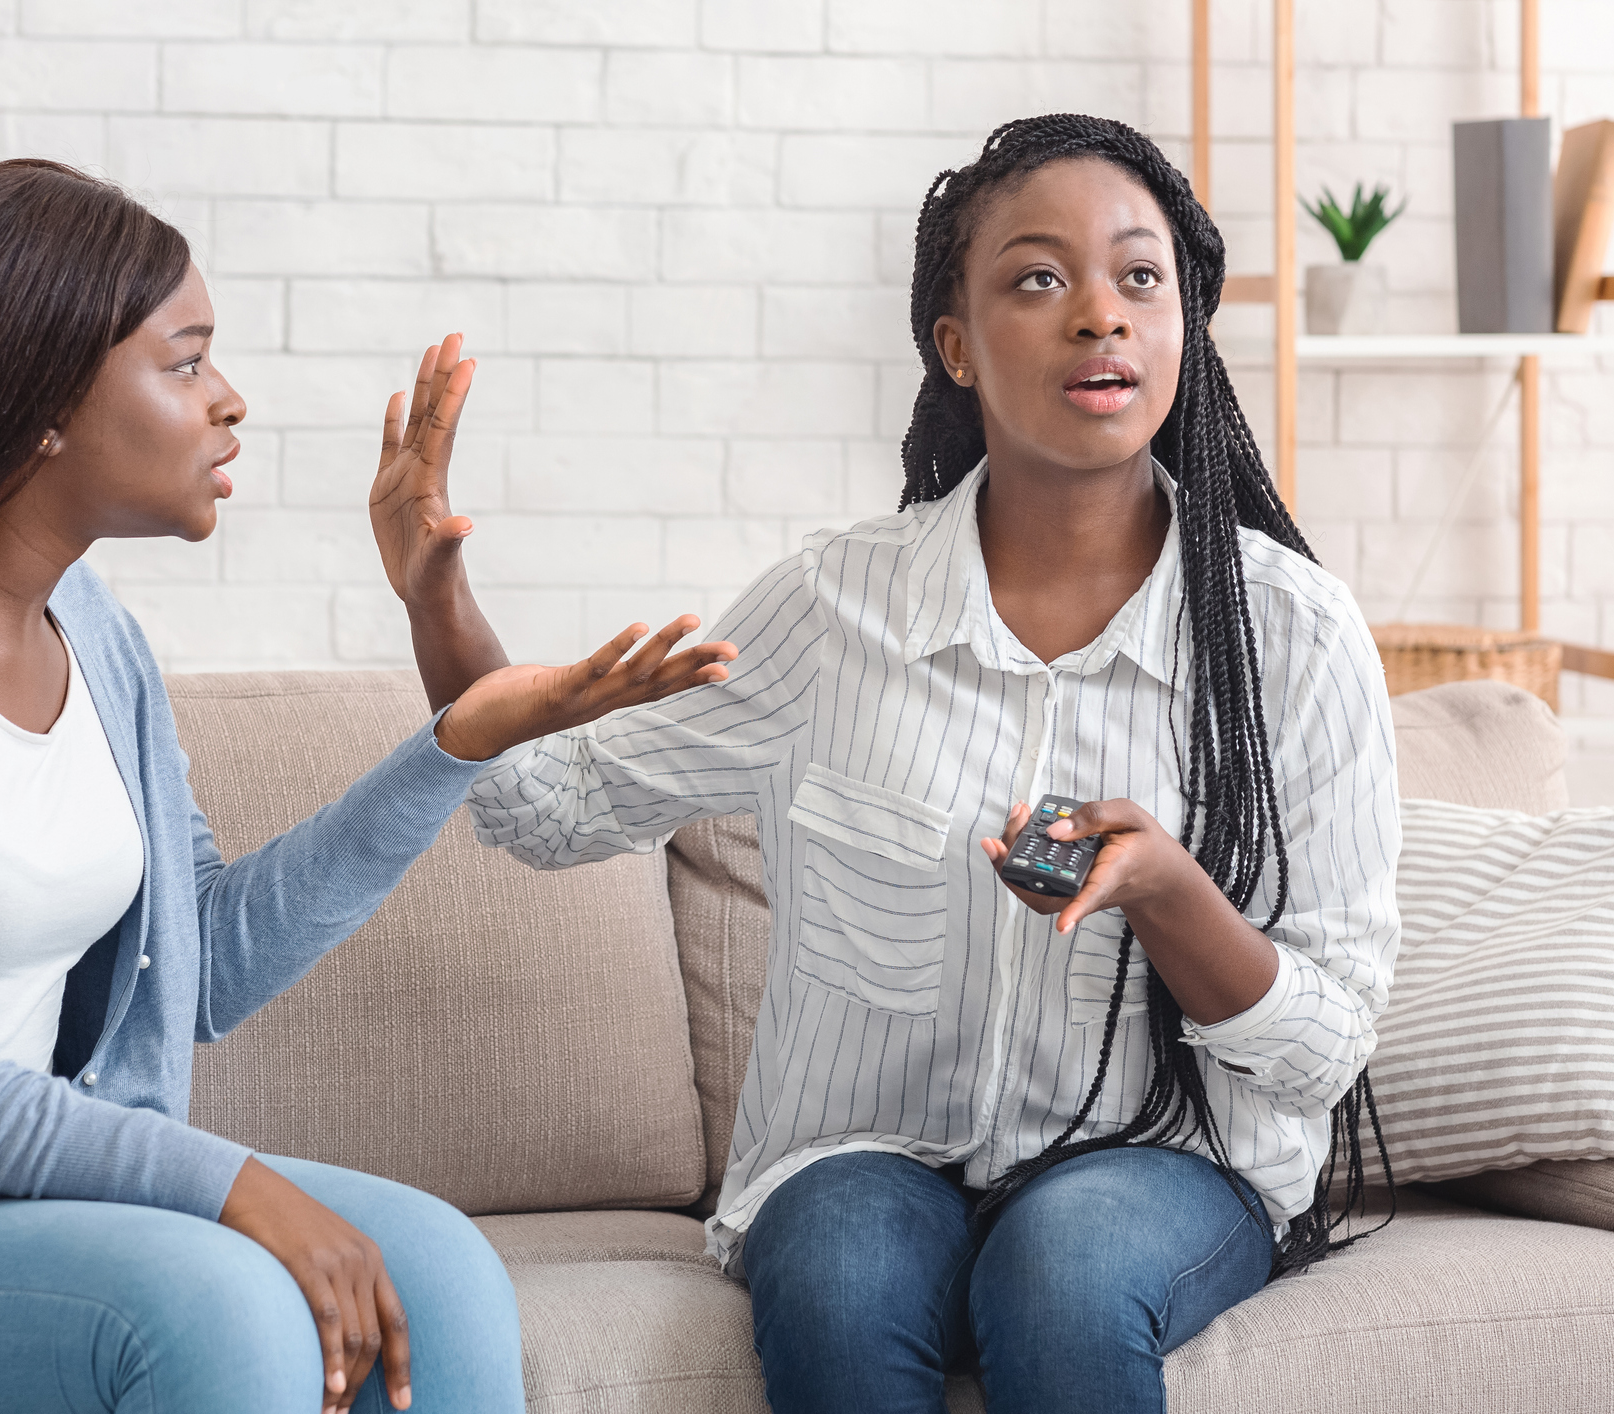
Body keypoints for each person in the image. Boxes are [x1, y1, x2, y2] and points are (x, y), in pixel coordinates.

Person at [0, 159, 734, 1414]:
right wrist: (228, 1182)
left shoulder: (91, 629)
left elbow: (203, 955)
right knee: (226, 1314)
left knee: (448, 1279)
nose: (231, 401)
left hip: (10, 1192)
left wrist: (452, 746)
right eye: (187, 360)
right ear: (37, 397)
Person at [374, 115, 1400, 1414]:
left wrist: (1165, 890)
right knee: (844, 1283)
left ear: (1185, 326)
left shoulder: (1290, 636)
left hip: (1165, 1152)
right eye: (1039, 277)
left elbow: (1325, 1042)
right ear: (955, 343)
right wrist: (434, 605)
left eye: (1140, 277)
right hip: (862, 1152)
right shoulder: (830, 606)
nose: (1100, 314)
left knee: (1064, 1275)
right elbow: (549, 805)